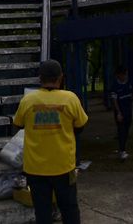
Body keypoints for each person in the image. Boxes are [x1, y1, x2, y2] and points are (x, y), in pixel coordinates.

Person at [13, 60, 88, 224]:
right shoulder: (70, 98)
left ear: (40, 78)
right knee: (69, 208)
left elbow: (18, 124)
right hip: (64, 166)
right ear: (61, 78)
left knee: (42, 211)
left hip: (35, 168)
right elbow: (80, 126)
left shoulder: (28, 100)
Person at [109, 65, 133, 160]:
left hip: (128, 110)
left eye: (126, 74)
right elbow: (114, 101)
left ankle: (123, 148)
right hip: (120, 111)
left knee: (126, 130)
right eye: (123, 74)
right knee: (121, 130)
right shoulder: (115, 86)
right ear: (118, 75)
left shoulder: (129, 82)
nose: (125, 76)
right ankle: (122, 151)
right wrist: (118, 113)